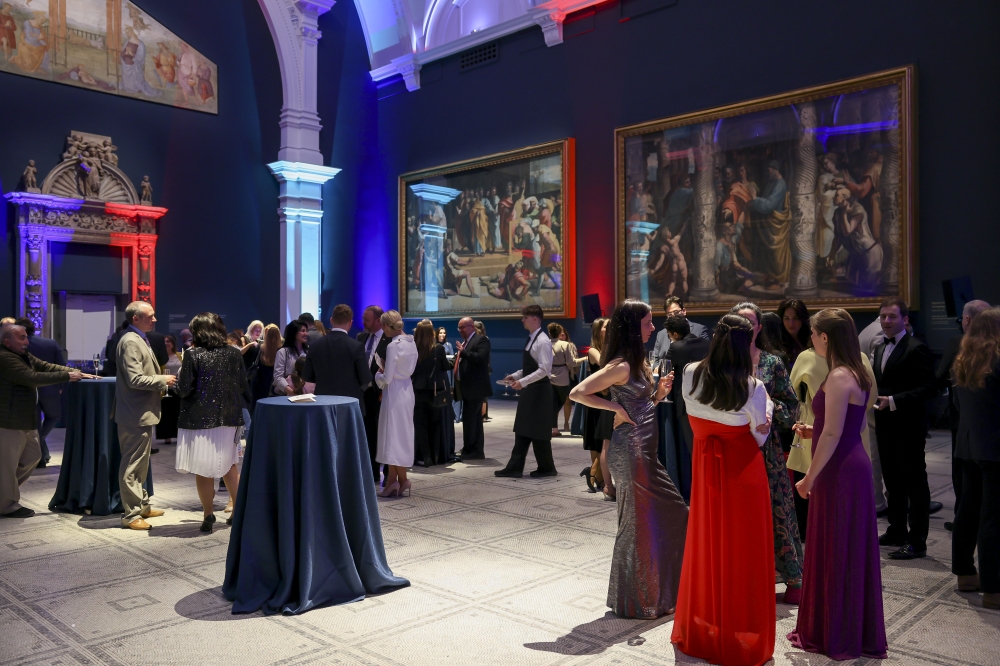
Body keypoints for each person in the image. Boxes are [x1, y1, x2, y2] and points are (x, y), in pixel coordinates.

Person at [571, 299, 688, 618]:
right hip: (631, 452)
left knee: (670, 513)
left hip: (645, 451)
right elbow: (577, 393)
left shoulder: (638, 361)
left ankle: (656, 591)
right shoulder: (621, 365)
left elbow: (641, 405)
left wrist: (658, 396)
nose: (653, 327)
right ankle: (636, 600)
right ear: (633, 327)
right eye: (648, 322)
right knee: (636, 524)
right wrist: (614, 408)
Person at [672, 313, 775, 665]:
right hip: (742, 469)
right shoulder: (752, 386)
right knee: (743, 549)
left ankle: (707, 621)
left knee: (707, 541)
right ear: (746, 344)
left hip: (706, 467)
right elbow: (759, 436)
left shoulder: (689, 373)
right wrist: (767, 410)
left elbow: (694, 415)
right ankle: (738, 625)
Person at [788, 308, 888, 660]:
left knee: (835, 546)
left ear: (825, 337)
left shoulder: (838, 376)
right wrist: (813, 429)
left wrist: (809, 477)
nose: (810, 339)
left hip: (838, 470)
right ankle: (848, 626)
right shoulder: (856, 371)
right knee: (848, 547)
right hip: (853, 463)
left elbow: (832, 433)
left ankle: (834, 631)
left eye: (813, 333)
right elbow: (845, 425)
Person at [731, 301, 803, 603]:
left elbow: (792, 404)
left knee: (776, 510)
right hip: (732, 446)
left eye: (751, 322)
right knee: (737, 515)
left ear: (759, 327)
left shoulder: (773, 362)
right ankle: (740, 578)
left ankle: (791, 579)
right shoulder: (723, 362)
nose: (746, 328)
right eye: (740, 322)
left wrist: (771, 411)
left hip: (767, 450)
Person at [1, 324, 91, 518]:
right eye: (21, 338)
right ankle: (7, 505)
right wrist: (67, 376)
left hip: (25, 419)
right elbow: (31, 377)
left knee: (33, 456)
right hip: (9, 421)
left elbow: (45, 366)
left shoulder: (22, 354)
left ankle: (4, 493)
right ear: (7, 342)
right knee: (8, 465)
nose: (26, 341)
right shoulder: (5, 357)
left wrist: (73, 371)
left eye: (26, 337)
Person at [873, 297, 938, 560]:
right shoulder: (879, 348)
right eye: (883, 316)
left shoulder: (916, 348)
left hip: (909, 427)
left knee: (915, 484)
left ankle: (917, 541)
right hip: (885, 425)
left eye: (892, 316)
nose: (887, 321)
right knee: (892, 482)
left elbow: (929, 389)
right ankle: (897, 530)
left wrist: (894, 400)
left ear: (905, 319)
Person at [175, 314, 251, 533]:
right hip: (229, 418)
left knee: (203, 469)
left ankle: (208, 515)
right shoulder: (234, 354)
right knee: (230, 466)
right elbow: (243, 385)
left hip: (200, 420)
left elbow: (184, 389)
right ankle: (238, 512)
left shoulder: (192, 354)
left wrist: (176, 382)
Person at [950, 306, 1000, 609]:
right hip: (995, 450)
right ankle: (994, 589)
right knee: (993, 517)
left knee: (967, 510)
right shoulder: (997, 361)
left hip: (968, 446)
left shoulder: (963, 360)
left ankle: (966, 574)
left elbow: (958, 406)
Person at [111, 302, 176, 530]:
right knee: (132, 465)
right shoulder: (130, 341)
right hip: (134, 414)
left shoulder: (138, 338)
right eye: (150, 316)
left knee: (140, 463)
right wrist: (163, 380)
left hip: (140, 412)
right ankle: (131, 515)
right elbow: (135, 379)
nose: (155, 319)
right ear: (136, 318)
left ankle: (142, 505)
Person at [937, 299, 992, 530]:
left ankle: (963, 520)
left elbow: (940, 376)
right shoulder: (995, 349)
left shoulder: (957, 343)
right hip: (991, 425)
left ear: (966, 320)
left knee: (964, 478)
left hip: (963, 423)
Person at [496, 306, 557, 478]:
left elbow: (544, 370)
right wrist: (515, 376)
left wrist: (522, 382)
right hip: (533, 390)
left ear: (535, 319)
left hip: (539, 392)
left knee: (534, 429)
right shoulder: (533, 338)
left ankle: (527, 467)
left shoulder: (542, 341)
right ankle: (543, 467)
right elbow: (531, 368)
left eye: (525, 317)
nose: (522, 320)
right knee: (528, 428)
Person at [663, 314, 710, 500]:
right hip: (708, 402)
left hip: (685, 404)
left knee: (693, 449)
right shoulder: (707, 344)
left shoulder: (676, 347)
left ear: (675, 334)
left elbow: (665, 370)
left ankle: (699, 494)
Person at [373, 311, 418, 497]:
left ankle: (399, 480)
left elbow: (387, 378)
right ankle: (396, 480)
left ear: (385, 326)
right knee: (400, 435)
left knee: (392, 435)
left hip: (394, 393)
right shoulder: (411, 342)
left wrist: (378, 374)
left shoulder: (393, 346)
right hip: (407, 390)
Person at [301, 304, 372, 414]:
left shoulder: (315, 346)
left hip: (322, 405)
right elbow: (365, 378)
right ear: (350, 323)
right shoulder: (356, 347)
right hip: (349, 406)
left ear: (331, 320)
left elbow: (307, 376)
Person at [14, 318, 65, 467]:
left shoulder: (16, 346)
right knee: (54, 417)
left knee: (35, 424)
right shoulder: (50, 343)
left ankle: (38, 445)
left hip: (26, 389)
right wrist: (60, 385)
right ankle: (42, 453)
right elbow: (61, 365)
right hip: (50, 388)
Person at [412, 320, 452, 467]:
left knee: (420, 425)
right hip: (435, 391)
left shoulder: (413, 349)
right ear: (432, 333)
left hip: (418, 390)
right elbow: (445, 367)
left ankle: (425, 456)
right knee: (435, 424)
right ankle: (436, 456)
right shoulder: (438, 349)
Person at [453, 316, 492, 460]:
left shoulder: (482, 340)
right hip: (468, 388)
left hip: (476, 388)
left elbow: (481, 357)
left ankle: (472, 450)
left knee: (471, 421)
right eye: (459, 328)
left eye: (462, 327)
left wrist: (464, 352)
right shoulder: (467, 342)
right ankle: (472, 449)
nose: (460, 330)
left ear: (471, 327)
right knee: (471, 420)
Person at [581, 318, 612, 495]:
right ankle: (597, 476)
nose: (610, 328)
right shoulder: (594, 351)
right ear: (598, 331)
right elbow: (606, 366)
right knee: (597, 441)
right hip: (596, 400)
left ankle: (594, 473)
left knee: (605, 440)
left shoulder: (609, 348)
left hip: (606, 400)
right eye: (606, 327)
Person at [358, 306, 389, 481]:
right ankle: (370, 471)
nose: (363, 322)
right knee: (367, 432)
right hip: (363, 394)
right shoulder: (361, 338)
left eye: (367, 320)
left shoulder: (388, 340)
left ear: (378, 320)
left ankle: (384, 472)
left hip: (381, 394)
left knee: (381, 433)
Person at [652, 296, 708, 363]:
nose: (673, 316)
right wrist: (658, 367)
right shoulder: (661, 334)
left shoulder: (699, 329)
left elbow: (707, 358)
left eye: (676, 312)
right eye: (669, 314)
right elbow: (655, 360)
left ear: (684, 311)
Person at [548, 323, 577, 438]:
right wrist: (585, 359)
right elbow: (572, 363)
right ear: (560, 333)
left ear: (549, 333)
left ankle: (553, 428)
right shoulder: (566, 345)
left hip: (549, 376)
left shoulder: (545, 344)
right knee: (561, 401)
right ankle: (555, 428)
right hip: (563, 378)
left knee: (553, 403)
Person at [274, 320, 312, 397]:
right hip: (286, 395)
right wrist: (291, 392)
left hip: (306, 394)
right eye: (303, 331)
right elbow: (278, 377)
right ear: (294, 333)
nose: (306, 334)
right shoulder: (282, 352)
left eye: (306, 331)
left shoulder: (308, 351)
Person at [156, 334, 183, 444]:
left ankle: (178, 436)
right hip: (166, 388)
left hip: (178, 388)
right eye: (165, 341)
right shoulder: (160, 357)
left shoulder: (180, 355)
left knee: (178, 412)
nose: (166, 343)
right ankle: (167, 436)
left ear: (173, 343)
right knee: (166, 413)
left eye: (168, 341)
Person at [250, 325, 280, 409]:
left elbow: (254, 361)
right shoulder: (281, 350)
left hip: (260, 381)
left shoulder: (260, 348)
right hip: (274, 382)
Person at [777, 299, 811, 367]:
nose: (791, 323)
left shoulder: (812, 340)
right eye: (787, 318)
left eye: (795, 318)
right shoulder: (778, 343)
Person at [559, 327, 579, 431]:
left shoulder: (571, 346)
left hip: (569, 375)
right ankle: (553, 425)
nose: (561, 337)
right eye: (559, 335)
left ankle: (566, 423)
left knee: (568, 400)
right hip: (557, 376)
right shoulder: (551, 345)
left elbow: (574, 360)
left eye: (563, 335)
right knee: (555, 401)